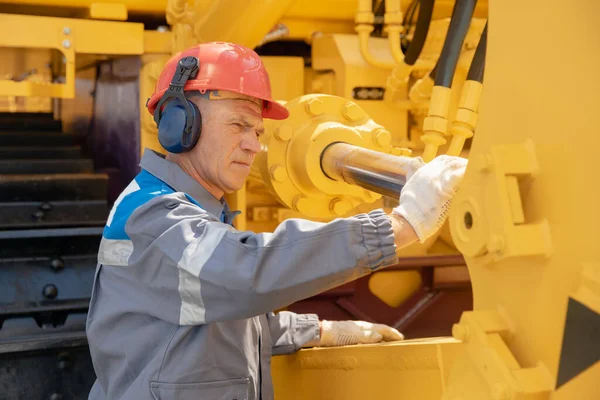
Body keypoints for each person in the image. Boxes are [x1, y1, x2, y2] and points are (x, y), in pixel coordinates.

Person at [86, 42, 467, 400]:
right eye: (238, 125)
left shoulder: (193, 209)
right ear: (178, 125)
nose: (253, 145)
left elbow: (216, 321)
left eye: (257, 131)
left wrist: (321, 331)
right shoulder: (154, 215)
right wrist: (400, 226)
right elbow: (243, 274)